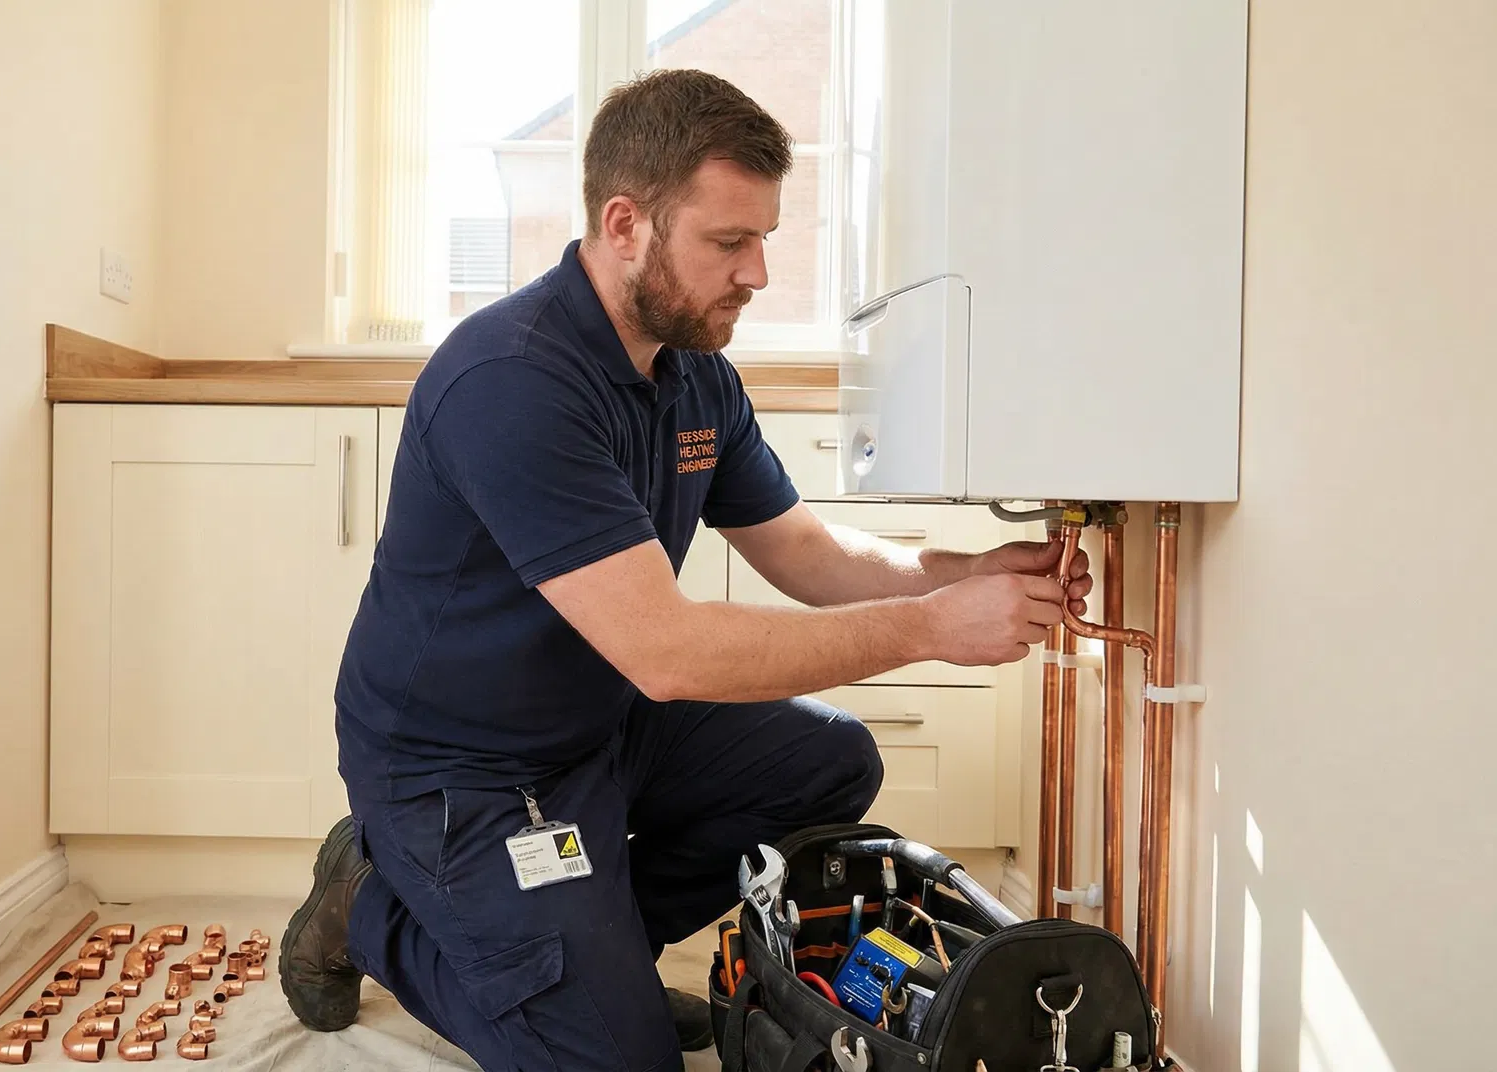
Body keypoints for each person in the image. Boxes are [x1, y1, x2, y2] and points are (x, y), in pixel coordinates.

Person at [278, 69, 1090, 1071]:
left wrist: (955, 571)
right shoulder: (515, 381)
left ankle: (591, 949)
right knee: (618, 1061)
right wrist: (930, 631)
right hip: (465, 769)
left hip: (600, 722)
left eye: (764, 241)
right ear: (627, 224)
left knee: (830, 762)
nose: (756, 273)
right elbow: (667, 651)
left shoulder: (694, 370)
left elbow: (805, 550)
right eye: (729, 242)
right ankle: (370, 905)